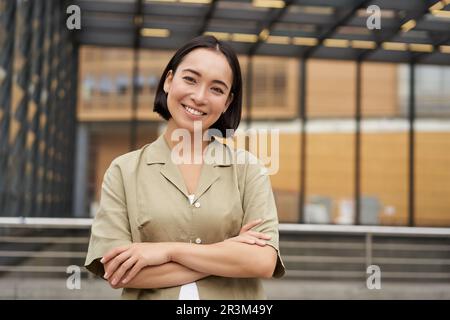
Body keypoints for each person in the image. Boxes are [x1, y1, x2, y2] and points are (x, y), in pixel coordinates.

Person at [84, 35, 285, 299]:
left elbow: (261, 262)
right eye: (190, 79)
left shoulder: (249, 170)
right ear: (169, 80)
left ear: (227, 102)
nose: (199, 97)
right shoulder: (124, 171)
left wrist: (167, 251)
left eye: (216, 89)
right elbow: (119, 271)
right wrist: (227, 252)